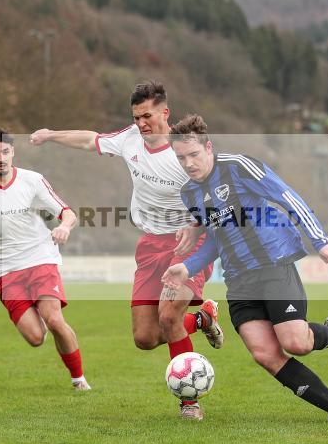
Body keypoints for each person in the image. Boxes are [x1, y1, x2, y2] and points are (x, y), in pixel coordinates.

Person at [29, 81, 222, 421]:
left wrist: (196, 225)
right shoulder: (130, 139)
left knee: (168, 316)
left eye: (147, 116)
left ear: (165, 113)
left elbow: (218, 199)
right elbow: (91, 139)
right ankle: (203, 318)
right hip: (150, 245)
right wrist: (51, 134)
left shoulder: (186, 154)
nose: (141, 123)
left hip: (189, 243)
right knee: (145, 338)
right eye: (136, 117)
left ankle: (189, 401)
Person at [162, 114, 328, 424]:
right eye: (181, 158)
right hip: (239, 281)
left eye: (193, 155)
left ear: (208, 148)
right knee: (265, 354)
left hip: (271, 266)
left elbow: (287, 197)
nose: (188, 163)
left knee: (296, 342)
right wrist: (187, 268)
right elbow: (217, 238)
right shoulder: (190, 194)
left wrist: (319, 239)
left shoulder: (238, 166)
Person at [0, 128, 91, 391]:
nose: (1, 159)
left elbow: (67, 212)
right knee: (36, 337)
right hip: (4, 271)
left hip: (40, 259)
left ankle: (79, 379)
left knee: (54, 319)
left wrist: (64, 226)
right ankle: (36, 313)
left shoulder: (33, 180)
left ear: (13, 152)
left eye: (5, 152)